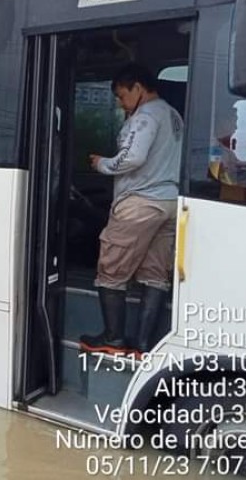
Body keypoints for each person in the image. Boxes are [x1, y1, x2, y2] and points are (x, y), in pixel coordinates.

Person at [79, 63, 184, 356]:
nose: (120, 102)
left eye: (121, 95)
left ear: (138, 88)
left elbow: (133, 157)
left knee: (111, 268)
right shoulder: (173, 116)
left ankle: (112, 339)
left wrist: (103, 163)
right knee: (155, 274)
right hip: (169, 204)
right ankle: (142, 344)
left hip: (140, 203)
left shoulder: (145, 117)